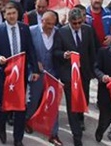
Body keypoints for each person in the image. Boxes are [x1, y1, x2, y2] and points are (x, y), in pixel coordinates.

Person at [0, 3, 39, 146]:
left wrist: (35, 70)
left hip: (21, 74)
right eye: (8, 13)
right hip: (4, 74)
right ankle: (2, 129)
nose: (11, 16)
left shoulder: (24, 28)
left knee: (20, 107)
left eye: (13, 13)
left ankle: (18, 138)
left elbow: (31, 50)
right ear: (4, 15)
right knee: (4, 105)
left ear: (18, 14)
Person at [53, 7, 97, 146]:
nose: (77, 25)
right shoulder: (61, 32)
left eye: (79, 22)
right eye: (75, 23)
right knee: (72, 104)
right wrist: (64, 55)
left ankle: (80, 119)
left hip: (84, 74)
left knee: (82, 99)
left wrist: (93, 71)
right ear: (70, 22)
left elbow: (92, 51)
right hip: (69, 74)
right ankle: (76, 134)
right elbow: (55, 52)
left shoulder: (88, 30)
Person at [26, 10, 62, 146]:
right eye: (48, 24)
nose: (50, 27)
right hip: (37, 73)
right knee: (33, 100)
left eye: (53, 24)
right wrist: (35, 65)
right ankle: (28, 120)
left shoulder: (58, 32)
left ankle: (53, 134)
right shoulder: (31, 31)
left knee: (54, 104)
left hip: (52, 73)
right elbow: (27, 52)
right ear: (42, 21)